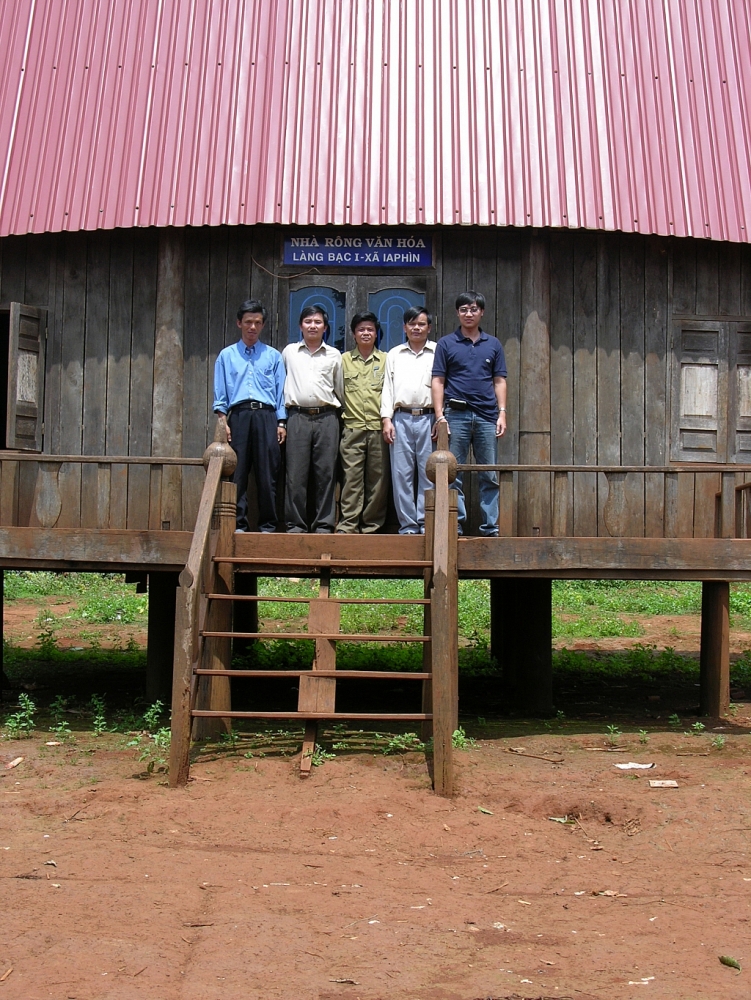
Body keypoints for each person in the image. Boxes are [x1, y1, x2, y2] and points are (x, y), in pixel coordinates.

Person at [431, 290, 507, 536]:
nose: (469, 313)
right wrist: (440, 415)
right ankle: (456, 526)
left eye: (473, 309)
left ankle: (490, 528)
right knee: (454, 473)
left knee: (490, 474)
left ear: (481, 312)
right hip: (456, 415)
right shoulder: (446, 343)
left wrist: (502, 413)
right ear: (457, 313)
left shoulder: (493, 344)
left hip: (486, 416)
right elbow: (438, 380)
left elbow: (499, 381)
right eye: (464, 309)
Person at [213, 299, 286, 532]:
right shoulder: (227, 356)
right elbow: (220, 392)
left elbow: (281, 391)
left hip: (267, 417)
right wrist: (222, 421)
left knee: (267, 474)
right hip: (239, 417)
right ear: (239, 323)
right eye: (248, 322)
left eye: (257, 322)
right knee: (238, 472)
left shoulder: (273, 356)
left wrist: (281, 421)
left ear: (262, 325)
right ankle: (238, 524)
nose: (252, 327)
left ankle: (268, 526)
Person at [282, 305, 343, 533]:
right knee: (295, 474)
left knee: (326, 473)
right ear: (300, 326)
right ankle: (295, 524)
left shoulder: (334, 355)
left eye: (317, 322)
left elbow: (339, 388)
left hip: (327, 417)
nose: (312, 326)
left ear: (325, 327)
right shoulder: (289, 352)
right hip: (296, 417)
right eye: (308, 321)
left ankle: (324, 524)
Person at [381, 307, 436, 534]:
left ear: (429, 328)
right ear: (404, 327)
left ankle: (426, 523)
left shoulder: (438, 351)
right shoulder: (394, 354)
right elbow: (387, 388)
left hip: (429, 418)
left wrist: (442, 418)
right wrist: (386, 419)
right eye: (411, 324)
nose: (416, 328)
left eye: (421, 324)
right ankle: (408, 526)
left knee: (428, 473)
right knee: (401, 475)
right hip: (401, 418)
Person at [338, 312, 389, 533]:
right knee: (351, 479)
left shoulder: (387, 360)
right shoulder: (342, 360)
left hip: (379, 429)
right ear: (353, 334)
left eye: (370, 329)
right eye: (361, 330)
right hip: (352, 428)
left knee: (378, 481)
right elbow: (337, 392)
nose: (365, 333)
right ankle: (348, 525)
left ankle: (372, 527)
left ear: (376, 333)